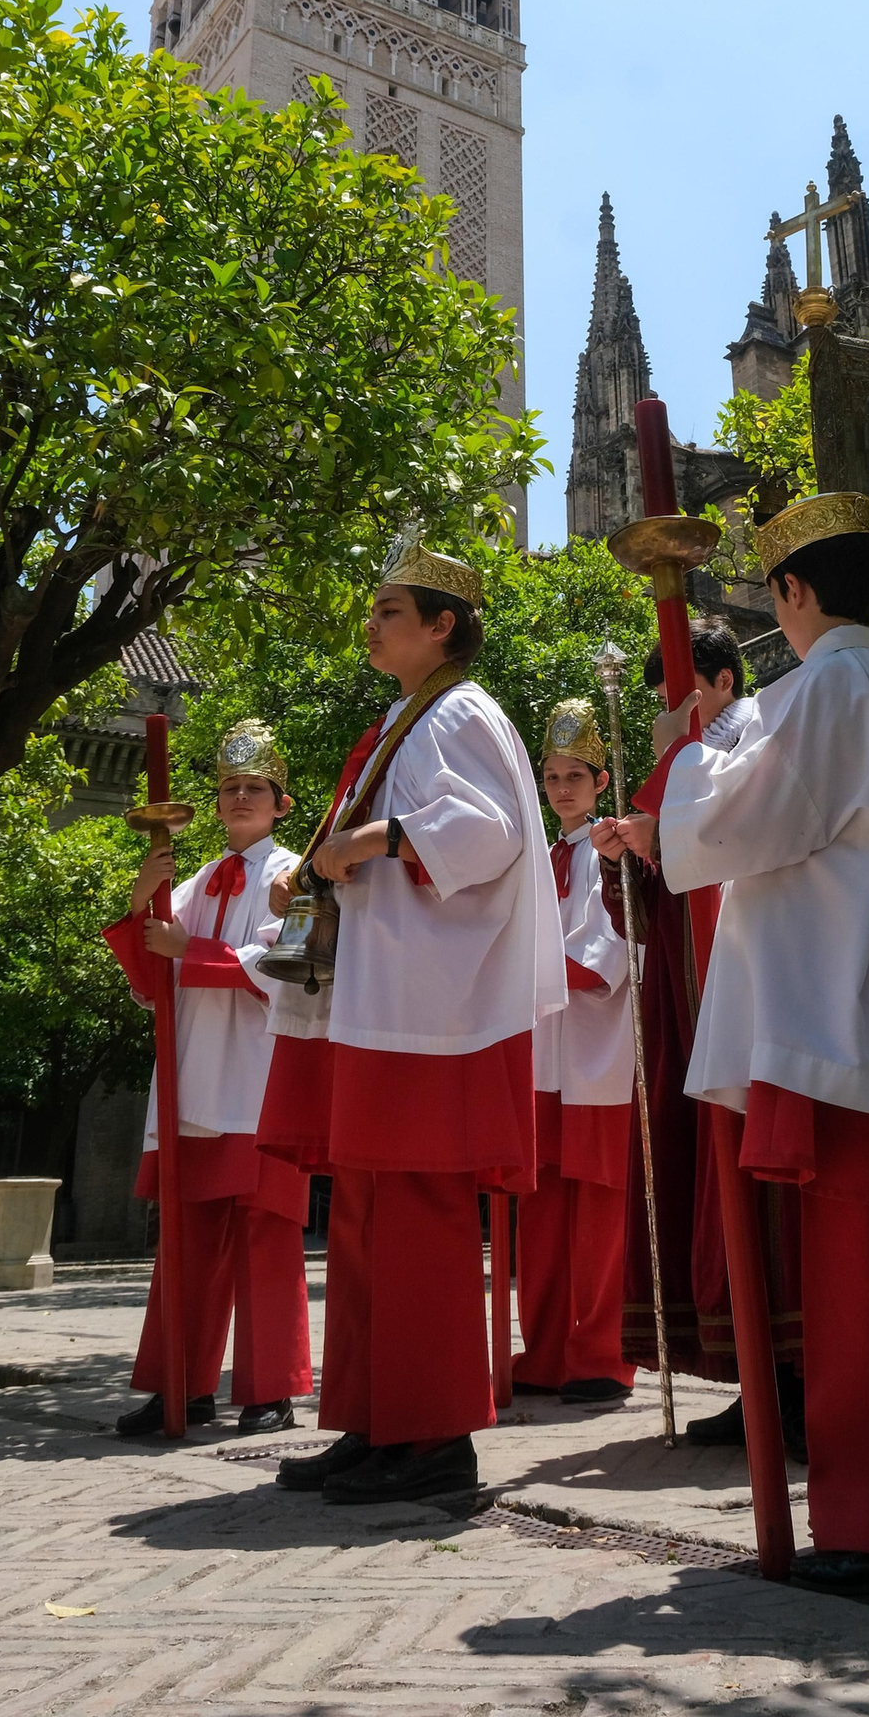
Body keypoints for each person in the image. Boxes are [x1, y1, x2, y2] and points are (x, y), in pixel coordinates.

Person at [597, 492, 869, 1587]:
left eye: (771, 596)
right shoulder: (864, 684)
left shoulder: (835, 685)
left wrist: (680, 770)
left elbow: (763, 817)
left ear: (795, 590)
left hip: (867, 1030)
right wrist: (685, 797)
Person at [272, 538, 565, 1514]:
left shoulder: (459, 710)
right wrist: (316, 861)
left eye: (390, 608)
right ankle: (374, 1421)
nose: (371, 620)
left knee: (413, 1221)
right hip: (383, 1004)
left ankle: (433, 1435)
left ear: (442, 625)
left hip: (429, 1017)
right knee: (362, 1218)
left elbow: (490, 832)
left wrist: (377, 838)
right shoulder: (405, 715)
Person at [599, 624, 805, 1455]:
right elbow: (652, 902)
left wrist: (662, 813)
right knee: (697, 1171)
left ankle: (794, 1375)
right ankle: (752, 1375)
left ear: (721, 681)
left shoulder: (756, 736)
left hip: (743, 983)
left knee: (756, 1179)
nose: (663, 708)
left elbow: (736, 848)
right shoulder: (687, 756)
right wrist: (632, 860)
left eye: (676, 690)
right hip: (687, 995)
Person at [104, 721, 311, 1438]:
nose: (242, 797)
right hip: (194, 1080)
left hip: (257, 1078)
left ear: (281, 802)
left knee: (267, 1236)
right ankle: (179, 1385)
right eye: (230, 788)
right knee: (184, 1241)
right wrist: (142, 898)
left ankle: (269, 1392)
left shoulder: (293, 873)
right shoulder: (191, 882)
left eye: (256, 787)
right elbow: (148, 981)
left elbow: (280, 965)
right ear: (216, 803)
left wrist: (190, 948)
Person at [511, 699, 637, 1405]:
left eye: (574, 775)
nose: (561, 787)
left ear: (599, 780)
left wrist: (520, 973)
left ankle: (601, 1352)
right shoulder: (534, 856)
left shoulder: (611, 851)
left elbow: (612, 952)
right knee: (542, 1208)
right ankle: (546, 1348)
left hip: (596, 1052)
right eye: (552, 774)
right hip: (540, 1053)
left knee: (599, 1209)